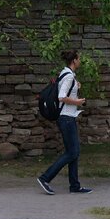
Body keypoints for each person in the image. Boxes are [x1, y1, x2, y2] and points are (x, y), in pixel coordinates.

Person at [37, 50, 93, 195]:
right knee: (72, 152)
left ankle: (74, 185)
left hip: (68, 117)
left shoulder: (66, 74)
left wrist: (76, 87)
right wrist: (78, 102)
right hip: (66, 118)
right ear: (74, 60)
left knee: (74, 152)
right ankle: (45, 178)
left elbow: (65, 90)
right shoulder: (68, 76)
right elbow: (62, 97)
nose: (80, 61)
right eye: (79, 58)